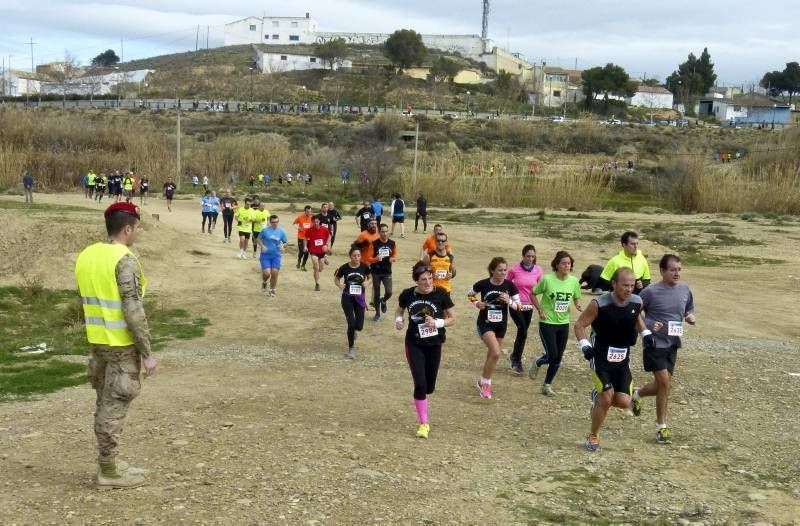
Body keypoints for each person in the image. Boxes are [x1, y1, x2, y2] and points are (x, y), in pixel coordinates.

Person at [74, 202, 157, 488]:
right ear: (127, 229)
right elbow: (133, 310)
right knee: (115, 404)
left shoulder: (87, 255)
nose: (138, 232)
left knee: (104, 401)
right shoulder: (125, 259)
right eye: (137, 227)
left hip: (98, 342)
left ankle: (108, 461)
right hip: (121, 344)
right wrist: (147, 352)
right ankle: (108, 470)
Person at [574, 267, 654, 452]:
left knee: (625, 402)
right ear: (614, 284)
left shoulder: (636, 301)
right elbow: (579, 325)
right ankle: (593, 436)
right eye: (625, 285)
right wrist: (585, 345)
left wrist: (646, 333)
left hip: (622, 359)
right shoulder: (599, 304)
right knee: (607, 397)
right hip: (600, 357)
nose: (629, 289)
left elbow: (636, 319)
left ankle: (597, 396)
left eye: (632, 285)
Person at [633, 254, 696, 444]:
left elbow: (689, 308)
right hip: (654, 343)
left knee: (663, 385)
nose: (676, 273)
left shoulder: (685, 289)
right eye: (672, 269)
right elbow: (634, 312)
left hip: (673, 343)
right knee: (665, 384)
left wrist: (690, 316)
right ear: (662, 271)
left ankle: (637, 394)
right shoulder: (651, 291)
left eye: (679, 269)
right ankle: (662, 427)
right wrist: (649, 326)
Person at [396, 261, 456, 439]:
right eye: (423, 279)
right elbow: (399, 311)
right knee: (420, 384)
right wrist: (398, 320)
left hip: (435, 344)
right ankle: (424, 423)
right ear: (417, 280)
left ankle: (424, 397)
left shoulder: (441, 294)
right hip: (414, 343)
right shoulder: (408, 295)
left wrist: (438, 322)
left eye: (430, 278)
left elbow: (453, 318)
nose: (428, 282)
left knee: (429, 386)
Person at [528, 251, 583, 396]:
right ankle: (538, 362)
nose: (567, 266)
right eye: (564, 263)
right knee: (552, 355)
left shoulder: (573, 281)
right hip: (547, 322)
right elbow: (532, 293)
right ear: (557, 265)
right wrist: (539, 309)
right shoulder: (547, 280)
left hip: (563, 323)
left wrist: (577, 304)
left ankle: (547, 385)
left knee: (558, 357)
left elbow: (576, 296)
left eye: (569, 263)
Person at [468, 257, 523, 399]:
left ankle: (482, 380)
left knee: (492, 355)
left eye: (505, 270)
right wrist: (477, 303)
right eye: (500, 270)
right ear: (492, 270)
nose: (503, 273)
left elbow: (519, 306)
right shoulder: (483, 284)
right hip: (484, 323)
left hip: (501, 326)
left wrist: (509, 301)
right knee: (496, 353)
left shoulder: (510, 285)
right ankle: (486, 384)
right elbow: (470, 294)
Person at [506, 245, 544, 375]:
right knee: (522, 329)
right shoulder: (514, 269)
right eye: (528, 256)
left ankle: (514, 355)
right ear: (523, 256)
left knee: (523, 332)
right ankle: (516, 360)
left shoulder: (538, 270)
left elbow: (541, 287)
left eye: (533, 256)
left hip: (529, 306)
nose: (531, 259)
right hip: (516, 305)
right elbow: (506, 283)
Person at [334, 247, 372, 359]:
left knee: (359, 326)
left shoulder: (365, 267)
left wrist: (367, 282)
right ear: (350, 256)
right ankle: (351, 349)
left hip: (359, 298)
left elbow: (371, 277)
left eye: (358, 256)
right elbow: (336, 278)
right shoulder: (344, 268)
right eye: (354, 256)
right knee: (351, 323)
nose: (356, 258)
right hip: (347, 298)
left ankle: (354, 330)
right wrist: (340, 285)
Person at [370, 223, 397, 321]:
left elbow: (394, 255)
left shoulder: (392, 243)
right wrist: (376, 259)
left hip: (387, 271)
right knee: (376, 293)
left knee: (389, 292)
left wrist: (393, 259)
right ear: (379, 232)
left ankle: (384, 300)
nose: (385, 234)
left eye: (386, 231)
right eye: (382, 231)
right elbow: (369, 258)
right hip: (376, 271)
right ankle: (377, 314)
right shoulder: (374, 243)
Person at [257, 215, 289, 296]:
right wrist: (262, 246)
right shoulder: (265, 230)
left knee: (274, 273)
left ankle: (272, 290)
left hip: (276, 256)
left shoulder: (281, 232)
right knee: (267, 273)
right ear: (270, 222)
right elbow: (258, 239)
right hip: (265, 256)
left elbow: (285, 242)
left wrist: (283, 245)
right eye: (273, 222)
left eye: (276, 222)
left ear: (278, 222)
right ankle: (264, 282)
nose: (275, 224)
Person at [304, 214, 331, 291]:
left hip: (322, 251)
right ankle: (317, 284)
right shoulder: (309, 230)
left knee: (320, 269)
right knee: (316, 266)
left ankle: (324, 259)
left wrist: (327, 245)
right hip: (313, 250)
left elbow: (329, 237)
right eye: (314, 222)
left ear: (319, 222)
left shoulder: (324, 229)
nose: (316, 223)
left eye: (317, 221)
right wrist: (305, 246)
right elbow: (305, 238)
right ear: (312, 222)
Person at [292, 205, 314, 270]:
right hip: (301, 237)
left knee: (307, 252)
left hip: (309, 238)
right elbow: (294, 223)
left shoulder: (312, 218)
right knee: (301, 251)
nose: (309, 213)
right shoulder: (300, 217)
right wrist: (299, 228)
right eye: (307, 211)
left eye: (310, 211)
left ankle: (303, 265)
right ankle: (299, 260)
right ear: (305, 211)